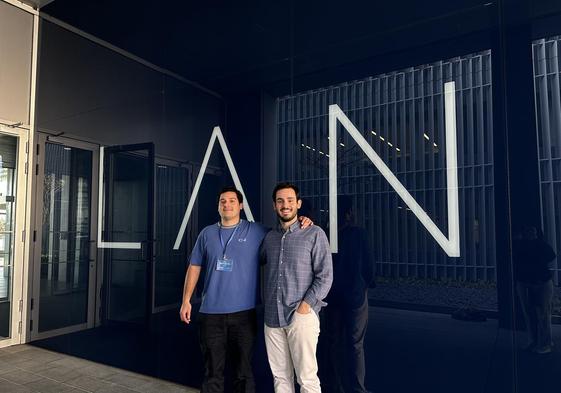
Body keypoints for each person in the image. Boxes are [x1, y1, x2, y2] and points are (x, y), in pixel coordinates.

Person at [179, 186, 312, 393]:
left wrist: (304, 221)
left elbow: (285, 232)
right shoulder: (207, 234)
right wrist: (186, 300)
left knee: (244, 372)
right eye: (223, 201)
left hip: (244, 316)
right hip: (210, 315)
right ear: (218, 206)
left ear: (240, 206)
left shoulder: (257, 231)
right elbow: (194, 266)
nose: (227, 205)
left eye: (232, 201)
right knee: (212, 371)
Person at [261, 182, 333, 393]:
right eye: (280, 201)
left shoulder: (314, 233)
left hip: (300, 315)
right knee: (280, 378)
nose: (285, 205)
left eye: (290, 200)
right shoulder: (269, 238)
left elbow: (325, 276)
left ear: (298, 204)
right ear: (274, 206)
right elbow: (255, 259)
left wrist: (305, 306)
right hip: (272, 317)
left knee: (307, 378)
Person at [324, 195, 374, 393]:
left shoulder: (325, 234)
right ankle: (356, 388)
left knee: (332, 342)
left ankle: (333, 384)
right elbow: (369, 265)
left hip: (332, 295)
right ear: (349, 213)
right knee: (355, 344)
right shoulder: (359, 234)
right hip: (354, 295)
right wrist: (367, 284)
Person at [513, 225, 557, 354]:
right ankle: (539, 341)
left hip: (535, 282)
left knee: (541, 313)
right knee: (536, 313)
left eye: (532, 231)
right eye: (528, 230)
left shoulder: (531, 245)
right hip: (537, 281)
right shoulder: (526, 246)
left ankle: (544, 342)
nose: (530, 233)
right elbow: (551, 256)